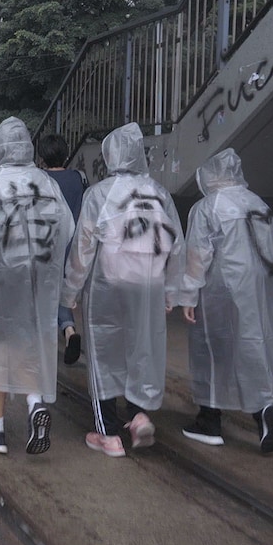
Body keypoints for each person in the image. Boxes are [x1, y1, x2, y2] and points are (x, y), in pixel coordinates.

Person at [60, 123, 184, 458]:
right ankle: (139, 415)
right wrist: (173, 291)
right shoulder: (159, 193)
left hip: (108, 287)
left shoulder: (99, 194)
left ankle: (108, 434)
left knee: (103, 354)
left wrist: (70, 292)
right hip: (150, 285)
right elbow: (176, 244)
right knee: (140, 350)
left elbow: (83, 249)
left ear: (110, 155)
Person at [0, 117, 74, 456]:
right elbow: (67, 228)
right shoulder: (47, 183)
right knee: (29, 341)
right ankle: (35, 402)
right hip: (39, 277)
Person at [172, 149, 273, 453]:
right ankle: (265, 409)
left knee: (212, 350)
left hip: (220, 289)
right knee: (255, 346)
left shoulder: (208, 207)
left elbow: (198, 256)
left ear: (210, 176)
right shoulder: (259, 204)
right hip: (259, 288)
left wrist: (188, 295)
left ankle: (209, 421)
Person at [39, 133, 88, 364]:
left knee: (45, 294)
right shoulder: (78, 178)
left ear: (42, 156)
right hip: (73, 244)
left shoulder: (40, 179)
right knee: (63, 292)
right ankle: (69, 331)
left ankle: (47, 343)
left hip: (47, 244)